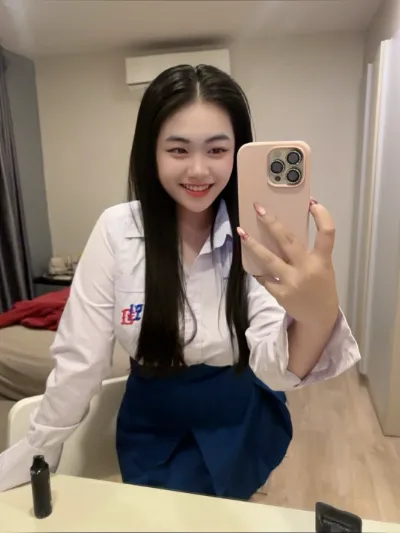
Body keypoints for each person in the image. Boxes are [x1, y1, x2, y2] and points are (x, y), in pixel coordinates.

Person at [0, 64, 360, 498]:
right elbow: (80, 362)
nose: (198, 170)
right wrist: (37, 449)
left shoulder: (254, 236)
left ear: (237, 152)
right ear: (151, 152)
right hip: (151, 424)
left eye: (217, 150)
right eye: (178, 150)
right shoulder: (117, 231)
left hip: (238, 419)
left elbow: (275, 367)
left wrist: (317, 316)